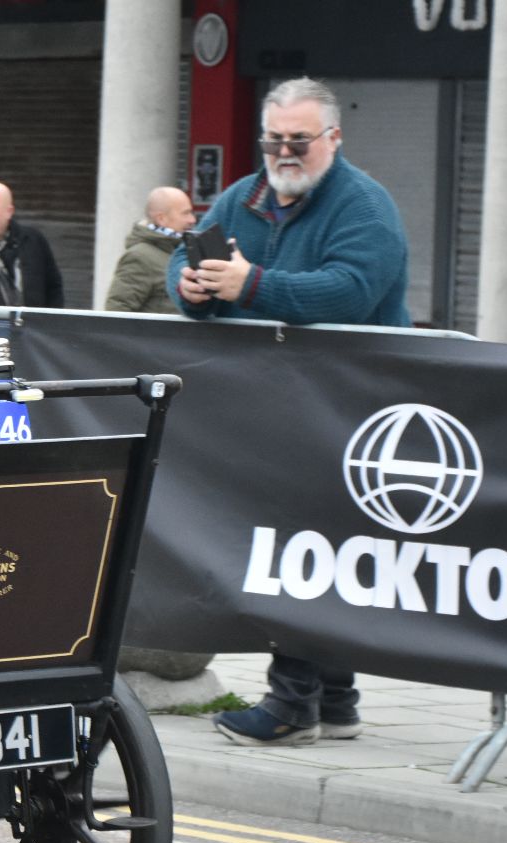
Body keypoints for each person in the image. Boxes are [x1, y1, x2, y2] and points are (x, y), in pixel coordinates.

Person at [171, 77, 411, 747]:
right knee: (313, 547)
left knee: (305, 549)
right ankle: (334, 699)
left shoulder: (365, 205)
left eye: (298, 141)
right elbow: (190, 254)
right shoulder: (242, 196)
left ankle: (291, 705)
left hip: (349, 406)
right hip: (277, 405)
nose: (283, 152)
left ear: (334, 138)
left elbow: (351, 292)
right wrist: (191, 286)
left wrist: (251, 284)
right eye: (273, 139)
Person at [102, 186, 194, 314]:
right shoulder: (139, 257)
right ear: (161, 219)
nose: (192, 220)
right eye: (185, 213)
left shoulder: (184, 251)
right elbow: (118, 310)